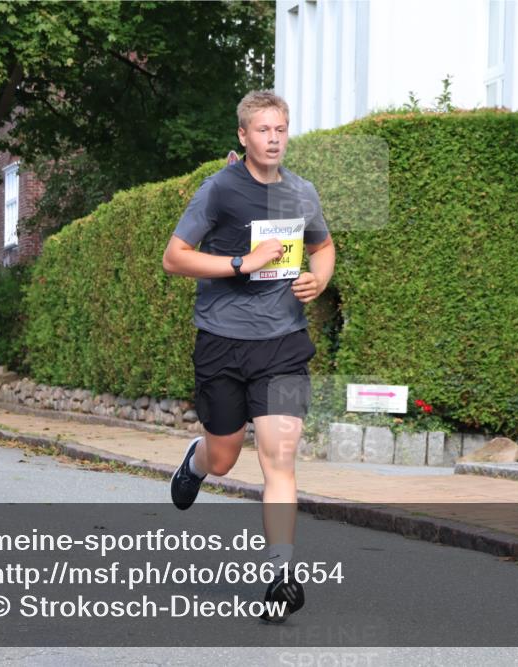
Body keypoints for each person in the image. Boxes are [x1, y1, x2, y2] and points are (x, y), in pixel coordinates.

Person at [161, 90, 335, 623]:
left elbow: (322, 246)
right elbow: (175, 258)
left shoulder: (302, 193)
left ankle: (281, 574)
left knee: (279, 458)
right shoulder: (218, 191)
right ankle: (197, 460)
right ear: (243, 136)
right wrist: (242, 262)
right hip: (221, 341)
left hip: (283, 342)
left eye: (281, 129)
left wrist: (317, 279)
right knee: (225, 457)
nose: (274, 138)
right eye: (263, 130)